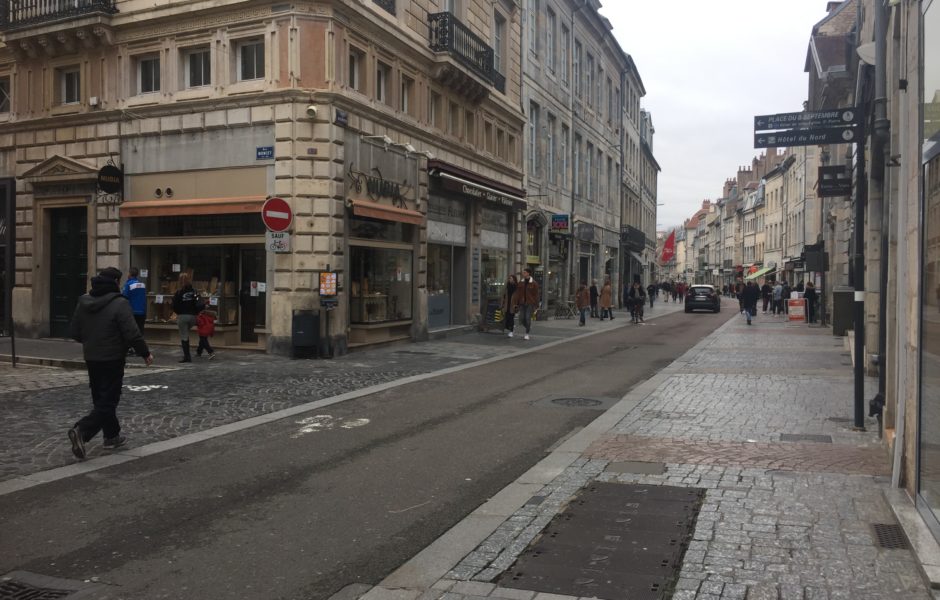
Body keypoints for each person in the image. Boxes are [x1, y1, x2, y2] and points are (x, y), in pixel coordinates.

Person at [68, 267, 154, 460]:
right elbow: (132, 333)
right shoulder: (120, 303)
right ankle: (82, 430)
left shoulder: (83, 301)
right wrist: (145, 353)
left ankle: (111, 436)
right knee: (109, 400)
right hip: (112, 358)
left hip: (91, 357)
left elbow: (74, 332)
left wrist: (92, 341)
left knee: (101, 398)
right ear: (116, 282)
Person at [172, 272, 204, 363]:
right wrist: (196, 312)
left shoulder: (178, 292)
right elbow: (200, 302)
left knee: (184, 336)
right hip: (193, 317)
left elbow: (174, 305)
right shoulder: (194, 291)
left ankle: (187, 356)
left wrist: (179, 312)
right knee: (186, 333)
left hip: (182, 316)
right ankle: (188, 355)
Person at [121, 267, 147, 355]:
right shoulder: (142, 285)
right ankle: (139, 349)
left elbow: (124, 297)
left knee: (130, 331)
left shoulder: (128, 285)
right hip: (142, 311)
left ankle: (131, 349)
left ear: (130, 274)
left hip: (132, 311)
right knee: (140, 331)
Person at [510, 267, 540, 340]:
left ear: (528, 273)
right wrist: (515, 303)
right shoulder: (521, 282)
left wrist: (536, 305)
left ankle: (527, 334)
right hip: (522, 303)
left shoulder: (534, 283)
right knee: (521, 319)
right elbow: (518, 293)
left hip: (530, 303)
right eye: (523, 272)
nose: (523, 273)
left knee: (527, 318)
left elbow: (536, 294)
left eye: (524, 272)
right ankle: (528, 326)